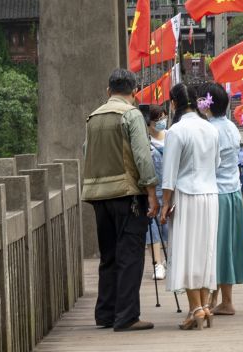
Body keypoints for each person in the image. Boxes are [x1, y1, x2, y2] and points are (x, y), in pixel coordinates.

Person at [82, 68, 159, 332]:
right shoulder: (131, 115)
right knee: (130, 255)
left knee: (109, 256)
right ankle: (127, 316)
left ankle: (106, 313)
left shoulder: (93, 117)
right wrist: (151, 192)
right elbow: (142, 156)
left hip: (98, 196)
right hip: (127, 195)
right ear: (134, 91)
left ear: (108, 91)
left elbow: (86, 151)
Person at [160, 83, 219, 330]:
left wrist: (165, 204)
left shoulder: (176, 131)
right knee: (205, 252)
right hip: (210, 195)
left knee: (186, 252)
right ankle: (204, 306)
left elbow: (169, 174)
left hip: (187, 194)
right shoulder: (211, 128)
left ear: (174, 103)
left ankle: (196, 309)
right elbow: (216, 163)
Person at [197, 83, 243, 315]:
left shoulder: (208, 129)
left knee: (213, 247)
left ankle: (212, 299)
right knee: (228, 246)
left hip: (215, 193)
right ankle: (225, 300)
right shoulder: (231, 126)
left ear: (206, 104)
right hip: (233, 192)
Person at [143, 104, 169, 280]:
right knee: (152, 229)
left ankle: (169, 260)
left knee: (169, 227)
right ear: (149, 123)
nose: (161, 121)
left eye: (163, 117)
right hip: (151, 189)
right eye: (157, 119)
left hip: (169, 189)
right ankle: (157, 264)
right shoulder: (145, 142)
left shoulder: (171, 135)